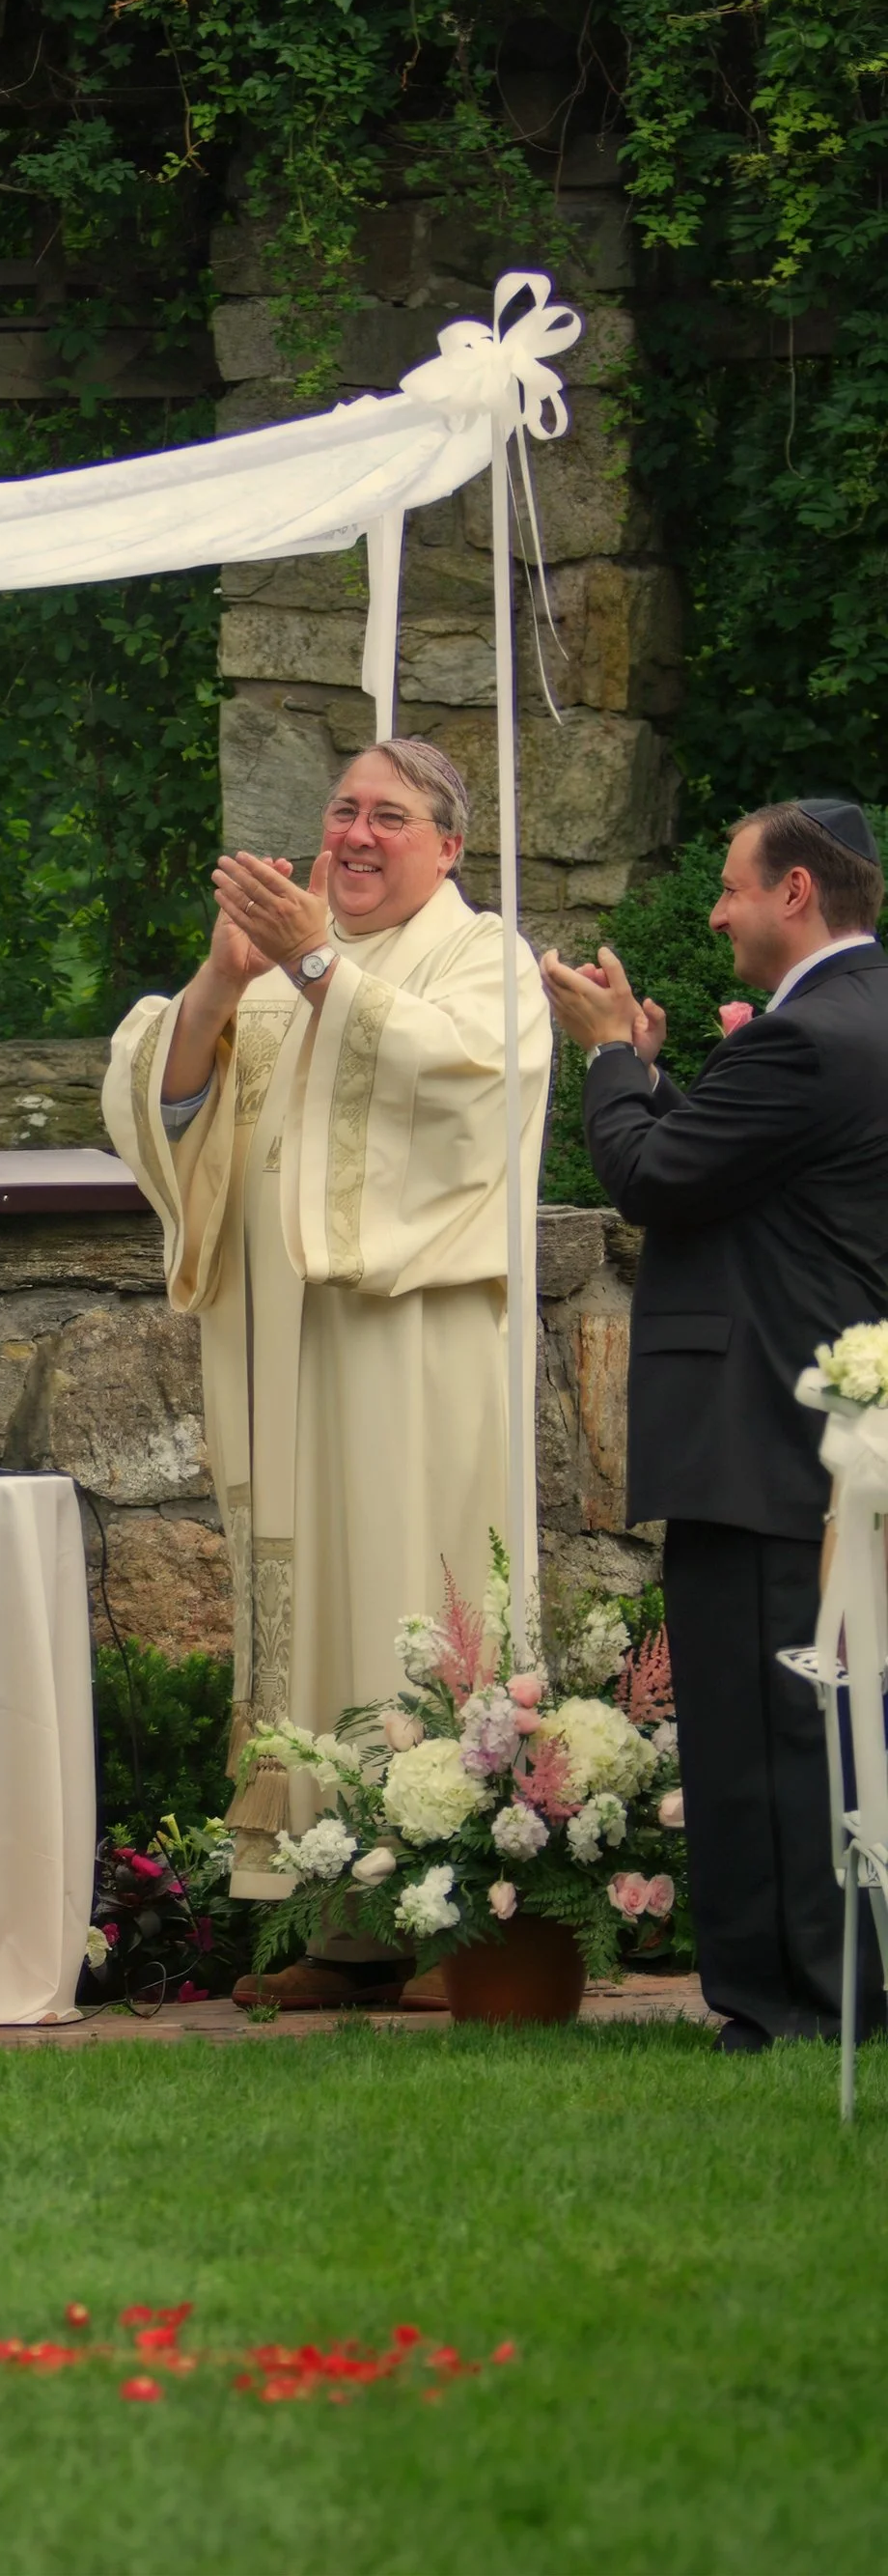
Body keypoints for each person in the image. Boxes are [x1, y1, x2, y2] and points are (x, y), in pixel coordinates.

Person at [105, 738, 550, 2010]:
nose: (355, 835)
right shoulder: (294, 964)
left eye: (389, 818)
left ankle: (462, 1922)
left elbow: (466, 1085)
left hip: (414, 1351)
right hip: (285, 1358)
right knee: (311, 1629)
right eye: (341, 811)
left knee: (418, 1600)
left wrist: (308, 962)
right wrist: (220, 976)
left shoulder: (483, 960)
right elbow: (171, 1112)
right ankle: (346, 1926)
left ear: (449, 846)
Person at [541, 798, 888, 2052]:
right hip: (827, 1441)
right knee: (830, 1729)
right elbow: (740, 1167)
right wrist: (650, 1071)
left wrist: (603, 1059)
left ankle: (785, 2000)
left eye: (733, 888)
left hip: (763, 1436)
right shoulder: (857, 1021)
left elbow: (656, 1177)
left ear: (796, 894)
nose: (715, 909)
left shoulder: (805, 1040)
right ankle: (840, 1982)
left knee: (761, 1736)